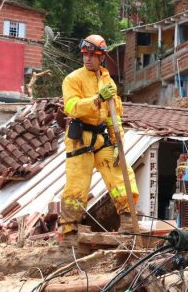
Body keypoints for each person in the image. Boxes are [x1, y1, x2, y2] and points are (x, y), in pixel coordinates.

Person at [59, 34, 138, 243]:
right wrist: (97, 99)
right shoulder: (73, 79)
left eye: (92, 55)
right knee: (77, 183)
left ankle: (128, 222)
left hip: (102, 137)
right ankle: (69, 230)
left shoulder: (107, 80)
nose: (87, 59)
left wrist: (117, 142)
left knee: (121, 175)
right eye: (85, 55)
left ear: (101, 57)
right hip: (80, 137)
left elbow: (114, 115)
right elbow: (71, 107)